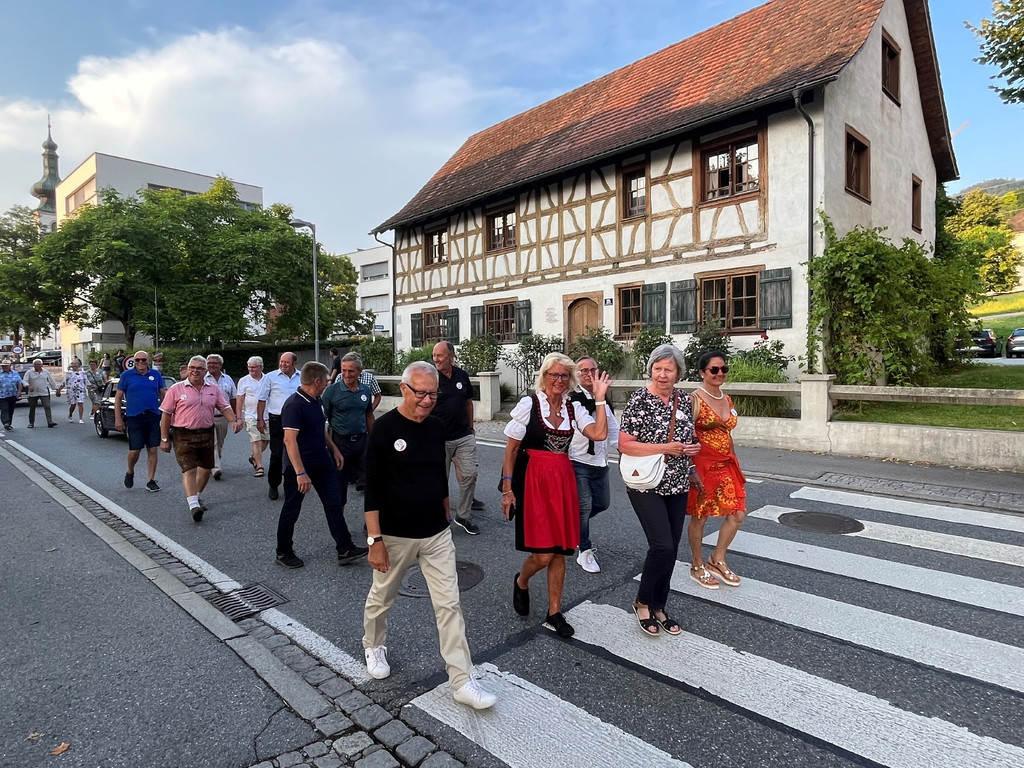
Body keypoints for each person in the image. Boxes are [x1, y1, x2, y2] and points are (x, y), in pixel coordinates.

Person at [362, 361, 498, 710]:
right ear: (403, 389)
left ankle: (462, 680)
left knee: (449, 604)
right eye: (420, 393)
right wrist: (375, 541)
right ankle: (374, 645)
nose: (426, 400)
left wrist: (446, 511)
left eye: (433, 394)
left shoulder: (437, 427)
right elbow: (373, 488)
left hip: (436, 532)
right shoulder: (384, 429)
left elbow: (439, 474)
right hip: (395, 534)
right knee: (383, 596)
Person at [500, 353, 609, 638]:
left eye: (564, 375)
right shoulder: (530, 404)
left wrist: (599, 399)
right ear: (544, 376)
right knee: (543, 554)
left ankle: (554, 611)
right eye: (554, 375)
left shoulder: (574, 408)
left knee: (559, 550)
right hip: (533, 481)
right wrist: (508, 490)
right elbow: (511, 450)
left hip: (562, 480)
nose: (559, 380)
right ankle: (522, 580)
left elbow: (599, 434)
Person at [618, 344, 701, 638]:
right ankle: (642, 602)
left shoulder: (685, 400)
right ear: (650, 370)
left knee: (671, 548)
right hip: (645, 482)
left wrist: (693, 456)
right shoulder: (639, 399)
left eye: (668, 369)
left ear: (678, 373)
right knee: (662, 545)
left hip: (677, 482)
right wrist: (665, 447)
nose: (662, 374)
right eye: (657, 368)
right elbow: (624, 444)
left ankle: (659, 604)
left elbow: (689, 437)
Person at [276, 361, 367, 568]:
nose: (328, 383)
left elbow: (321, 429)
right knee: (292, 508)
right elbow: (289, 441)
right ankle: (283, 551)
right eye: (326, 380)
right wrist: (300, 473)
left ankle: (345, 548)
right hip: (300, 466)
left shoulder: (315, 400)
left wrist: (334, 450)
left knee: (334, 503)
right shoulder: (294, 405)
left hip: (322, 462)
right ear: (317, 381)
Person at [686, 350, 747, 588]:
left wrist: (735, 461)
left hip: (726, 464)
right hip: (703, 466)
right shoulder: (694, 399)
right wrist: (691, 469)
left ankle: (717, 559)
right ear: (702, 372)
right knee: (700, 516)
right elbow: (685, 435)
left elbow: (727, 434)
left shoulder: (727, 399)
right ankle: (697, 565)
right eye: (714, 369)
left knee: (737, 513)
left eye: (723, 369)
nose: (720, 373)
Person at [160, 356, 243, 520]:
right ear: (188, 369)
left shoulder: (213, 388)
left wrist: (233, 420)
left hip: (206, 433)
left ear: (205, 371)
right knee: (189, 469)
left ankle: (196, 496)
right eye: (192, 368)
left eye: (199, 368)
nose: (195, 371)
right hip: (183, 434)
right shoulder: (176, 389)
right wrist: (164, 439)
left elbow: (224, 406)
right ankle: (193, 506)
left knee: (205, 469)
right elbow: (166, 414)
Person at [568, 356, 620, 574]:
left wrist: (625, 450)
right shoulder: (572, 400)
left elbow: (613, 429)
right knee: (584, 506)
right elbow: (590, 429)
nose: (588, 374)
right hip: (578, 461)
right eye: (583, 370)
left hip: (600, 461)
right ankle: (584, 550)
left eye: (592, 369)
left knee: (602, 503)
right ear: (576, 374)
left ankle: (569, 525)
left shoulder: (603, 399)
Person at [431, 341, 483, 535]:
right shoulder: (431, 378)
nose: (436, 359)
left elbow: (468, 403)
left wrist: (471, 427)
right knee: (438, 481)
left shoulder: (462, 376)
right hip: (438, 439)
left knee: (470, 474)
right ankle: (436, 517)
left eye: (440, 355)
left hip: (463, 436)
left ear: (451, 356)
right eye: (434, 356)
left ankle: (463, 515)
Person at [322, 352, 374, 524]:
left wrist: (374, 441)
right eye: (343, 370)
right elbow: (322, 421)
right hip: (340, 444)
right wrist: (332, 448)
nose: (346, 374)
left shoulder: (365, 390)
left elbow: (369, 417)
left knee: (371, 483)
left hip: (362, 442)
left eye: (351, 371)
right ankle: (339, 524)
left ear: (359, 371)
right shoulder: (331, 392)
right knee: (339, 486)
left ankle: (371, 524)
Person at [114, 351, 166, 492]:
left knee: (153, 448)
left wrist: (166, 413)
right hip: (134, 416)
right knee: (135, 451)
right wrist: (118, 419)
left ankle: (151, 480)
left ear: (148, 360)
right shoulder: (126, 375)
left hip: (152, 415)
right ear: (134, 361)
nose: (141, 362)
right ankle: (130, 471)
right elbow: (118, 397)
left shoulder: (155, 374)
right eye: (138, 360)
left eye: (143, 360)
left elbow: (163, 393)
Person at [256, 352, 301, 500]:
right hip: (277, 419)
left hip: (296, 420)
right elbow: (262, 399)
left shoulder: (301, 377)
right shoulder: (270, 377)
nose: (283, 364)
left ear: (294, 363)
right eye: (281, 361)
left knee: (295, 452)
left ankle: (293, 483)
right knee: (276, 454)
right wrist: (260, 419)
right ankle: (273, 484)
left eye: (286, 362)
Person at [205, 354, 237, 481]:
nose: (211, 365)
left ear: (220, 365)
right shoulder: (203, 378)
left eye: (214, 363)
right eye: (209, 363)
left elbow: (233, 398)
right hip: (207, 417)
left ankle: (209, 463)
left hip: (223, 417)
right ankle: (215, 467)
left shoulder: (228, 379)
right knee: (212, 442)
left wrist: (235, 417)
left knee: (219, 443)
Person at [236, 356, 270, 477]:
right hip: (250, 415)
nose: (251, 369)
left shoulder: (268, 379)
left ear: (261, 367)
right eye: (249, 367)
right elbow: (240, 399)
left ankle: (254, 457)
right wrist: (238, 417)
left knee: (266, 439)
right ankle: (260, 467)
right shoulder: (243, 381)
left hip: (266, 415)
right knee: (256, 441)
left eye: (254, 367)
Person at [23, 359, 61, 428]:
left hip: (44, 392)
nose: (36, 366)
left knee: (47, 406)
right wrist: (28, 386)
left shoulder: (46, 372)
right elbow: (24, 381)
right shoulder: (29, 372)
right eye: (35, 364)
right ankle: (31, 423)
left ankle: (50, 422)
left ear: (41, 365)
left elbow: (51, 381)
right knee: (32, 408)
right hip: (33, 393)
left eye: (38, 364)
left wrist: (56, 389)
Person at [0, 358, 24, 430]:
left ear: (10, 366)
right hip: (2, 395)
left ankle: (9, 423)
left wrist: (19, 392)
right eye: (3, 366)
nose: (4, 367)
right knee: (4, 408)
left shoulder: (15, 373)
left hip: (12, 394)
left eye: (6, 366)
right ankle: (6, 422)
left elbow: (19, 383)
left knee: (11, 409)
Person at [63, 359, 89, 423]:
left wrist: (90, 388)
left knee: (80, 403)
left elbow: (86, 381)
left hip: (80, 390)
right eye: (73, 364)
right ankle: (70, 414)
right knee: (73, 404)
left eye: (75, 364)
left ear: (78, 365)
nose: (74, 365)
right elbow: (64, 382)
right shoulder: (69, 373)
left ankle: (80, 418)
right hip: (71, 390)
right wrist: (59, 390)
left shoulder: (82, 373)